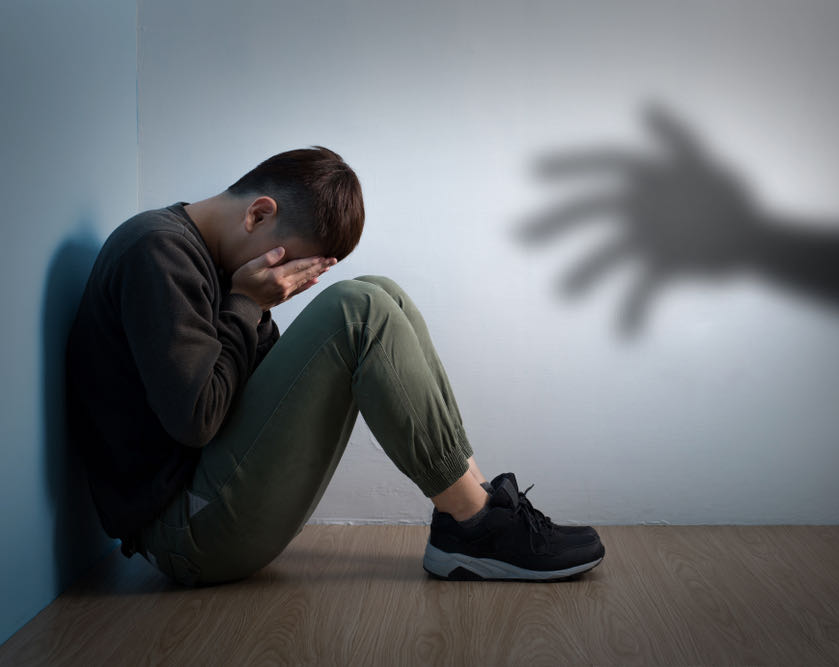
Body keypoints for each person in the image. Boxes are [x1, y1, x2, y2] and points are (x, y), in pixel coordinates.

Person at [66, 146, 604, 585]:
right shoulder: (158, 252)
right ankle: (475, 525)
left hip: (211, 500)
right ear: (258, 214)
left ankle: (476, 513)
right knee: (358, 309)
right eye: (292, 264)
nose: (292, 282)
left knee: (379, 292)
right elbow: (198, 419)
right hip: (184, 533)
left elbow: (251, 393)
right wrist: (248, 303)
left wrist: (253, 310)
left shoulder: (209, 262)